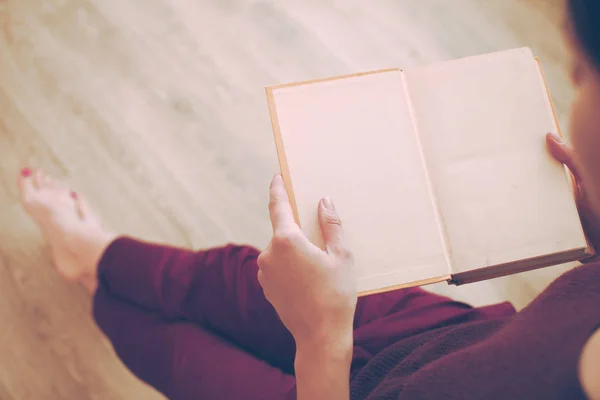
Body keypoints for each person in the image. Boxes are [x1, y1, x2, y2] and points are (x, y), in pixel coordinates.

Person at [16, 0, 600, 398]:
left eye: (583, 74)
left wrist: (322, 340)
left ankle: (100, 286)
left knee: (177, 353)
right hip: (459, 340)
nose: (573, 92)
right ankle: (93, 255)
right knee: (235, 272)